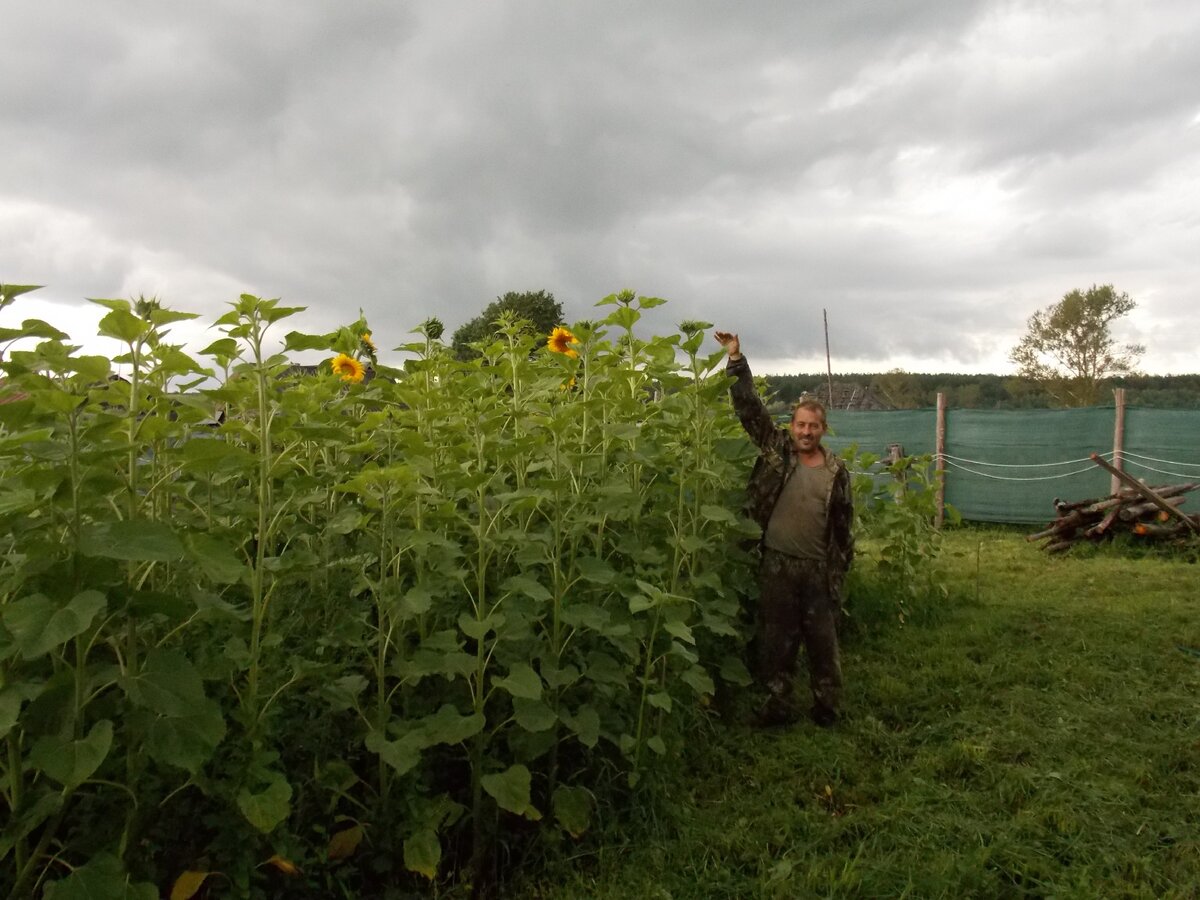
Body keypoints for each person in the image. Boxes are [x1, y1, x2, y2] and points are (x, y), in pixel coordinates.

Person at [714, 330, 854, 727]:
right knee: (777, 642)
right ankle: (778, 706)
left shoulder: (836, 472)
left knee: (823, 642)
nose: (806, 432)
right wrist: (736, 360)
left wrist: (839, 571)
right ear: (791, 427)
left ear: (823, 430)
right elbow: (749, 410)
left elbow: (844, 528)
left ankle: (827, 708)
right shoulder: (777, 452)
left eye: (813, 427)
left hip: (816, 569)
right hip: (776, 563)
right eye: (800, 425)